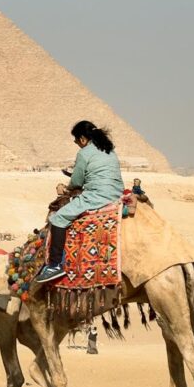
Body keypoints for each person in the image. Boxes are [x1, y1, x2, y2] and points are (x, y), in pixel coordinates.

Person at [37, 121, 124, 283]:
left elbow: (77, 182)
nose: (77, 144)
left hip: (98, 195)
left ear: (83, 139)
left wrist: (64, 189)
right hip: (116, 193)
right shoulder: (109, 150)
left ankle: (55, 265)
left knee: (58, 218)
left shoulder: (84, 153)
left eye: (76, 141)